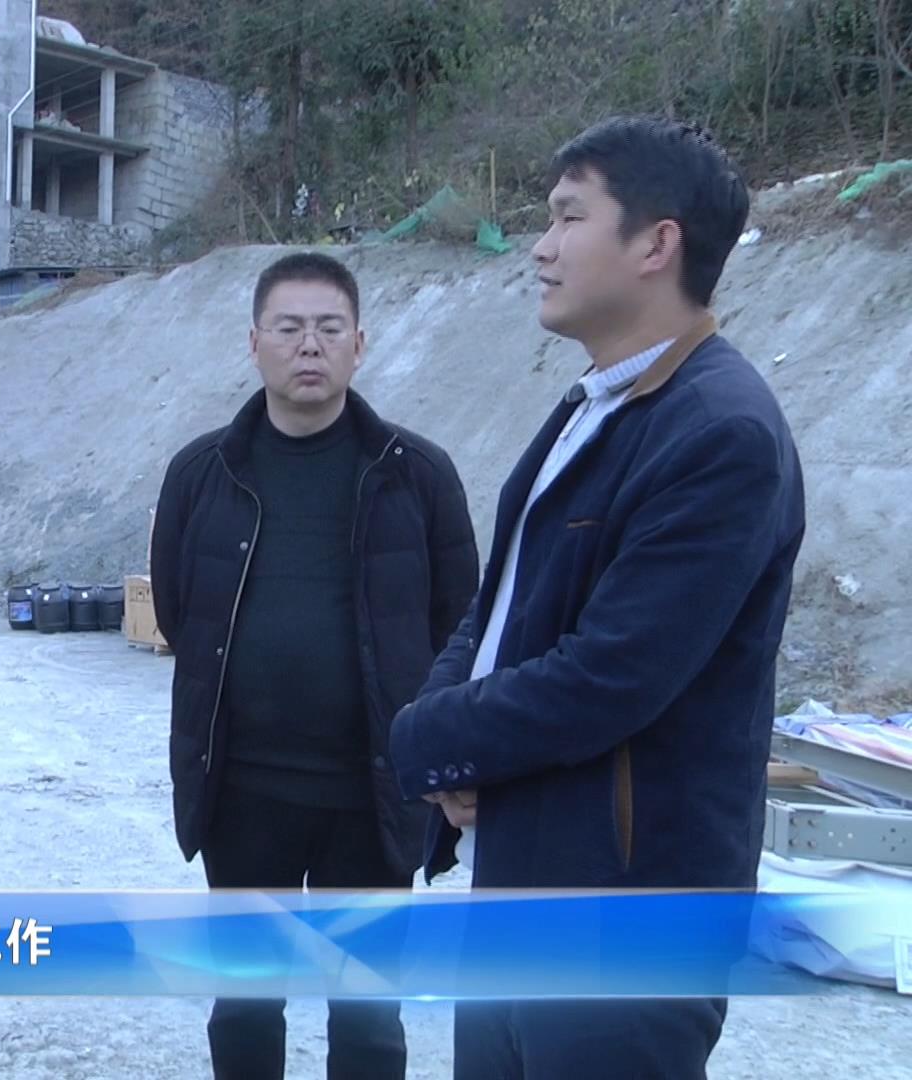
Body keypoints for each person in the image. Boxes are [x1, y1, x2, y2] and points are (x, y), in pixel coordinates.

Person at [389, 117, 805, 1079]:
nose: (541, 247)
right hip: (526, 882)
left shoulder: (721, 433)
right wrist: (449, 736)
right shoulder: (596, 404)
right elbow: (500, 605)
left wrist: (424, 737)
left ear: (656, 244)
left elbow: (611, 675)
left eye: (569, 217)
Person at [150, 252, 480, 1080]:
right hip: (242, 793)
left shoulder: (417, 475)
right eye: (289, 328)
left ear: (359, 345)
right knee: (245, 1003)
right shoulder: (202, 473)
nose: (309, 346)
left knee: (368, 1013)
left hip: (371, 796)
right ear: (254, 343)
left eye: (329, 328)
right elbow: (180, 611)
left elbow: (459, 627)